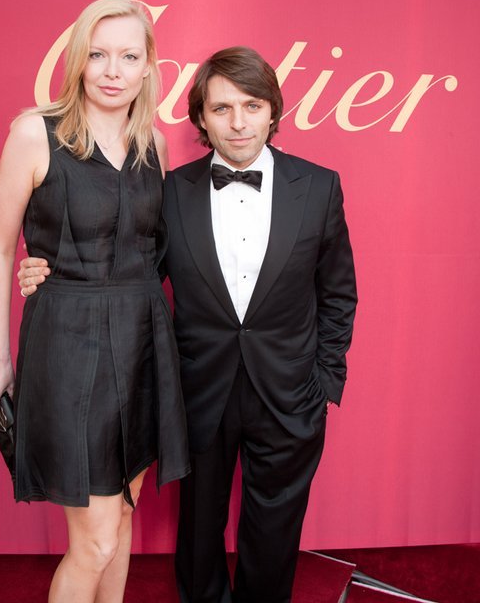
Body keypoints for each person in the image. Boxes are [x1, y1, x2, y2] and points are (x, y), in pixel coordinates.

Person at [19, 45, 357, 603]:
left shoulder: (320, 186)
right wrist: (46, 271)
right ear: (200, 117)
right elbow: (128, 270)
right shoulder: (172, 190)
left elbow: (338, 292)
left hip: (291, 391)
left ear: (273, 110)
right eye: (222, 108)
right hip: (197, 390)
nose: (239, 122)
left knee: (275, 531)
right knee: (199, 530)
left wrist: (324, 380)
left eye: (252, 106)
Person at [0, 0, 189, 603]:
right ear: (77, 61)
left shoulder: (155, 145)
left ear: (148, 66)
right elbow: (0, 250)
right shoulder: (33, 133)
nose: (113, 71)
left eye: (129, 56)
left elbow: (153, 251)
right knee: (93, 540)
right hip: (68, 343)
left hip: (144, 340)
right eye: (98, 55)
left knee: (121, 520)